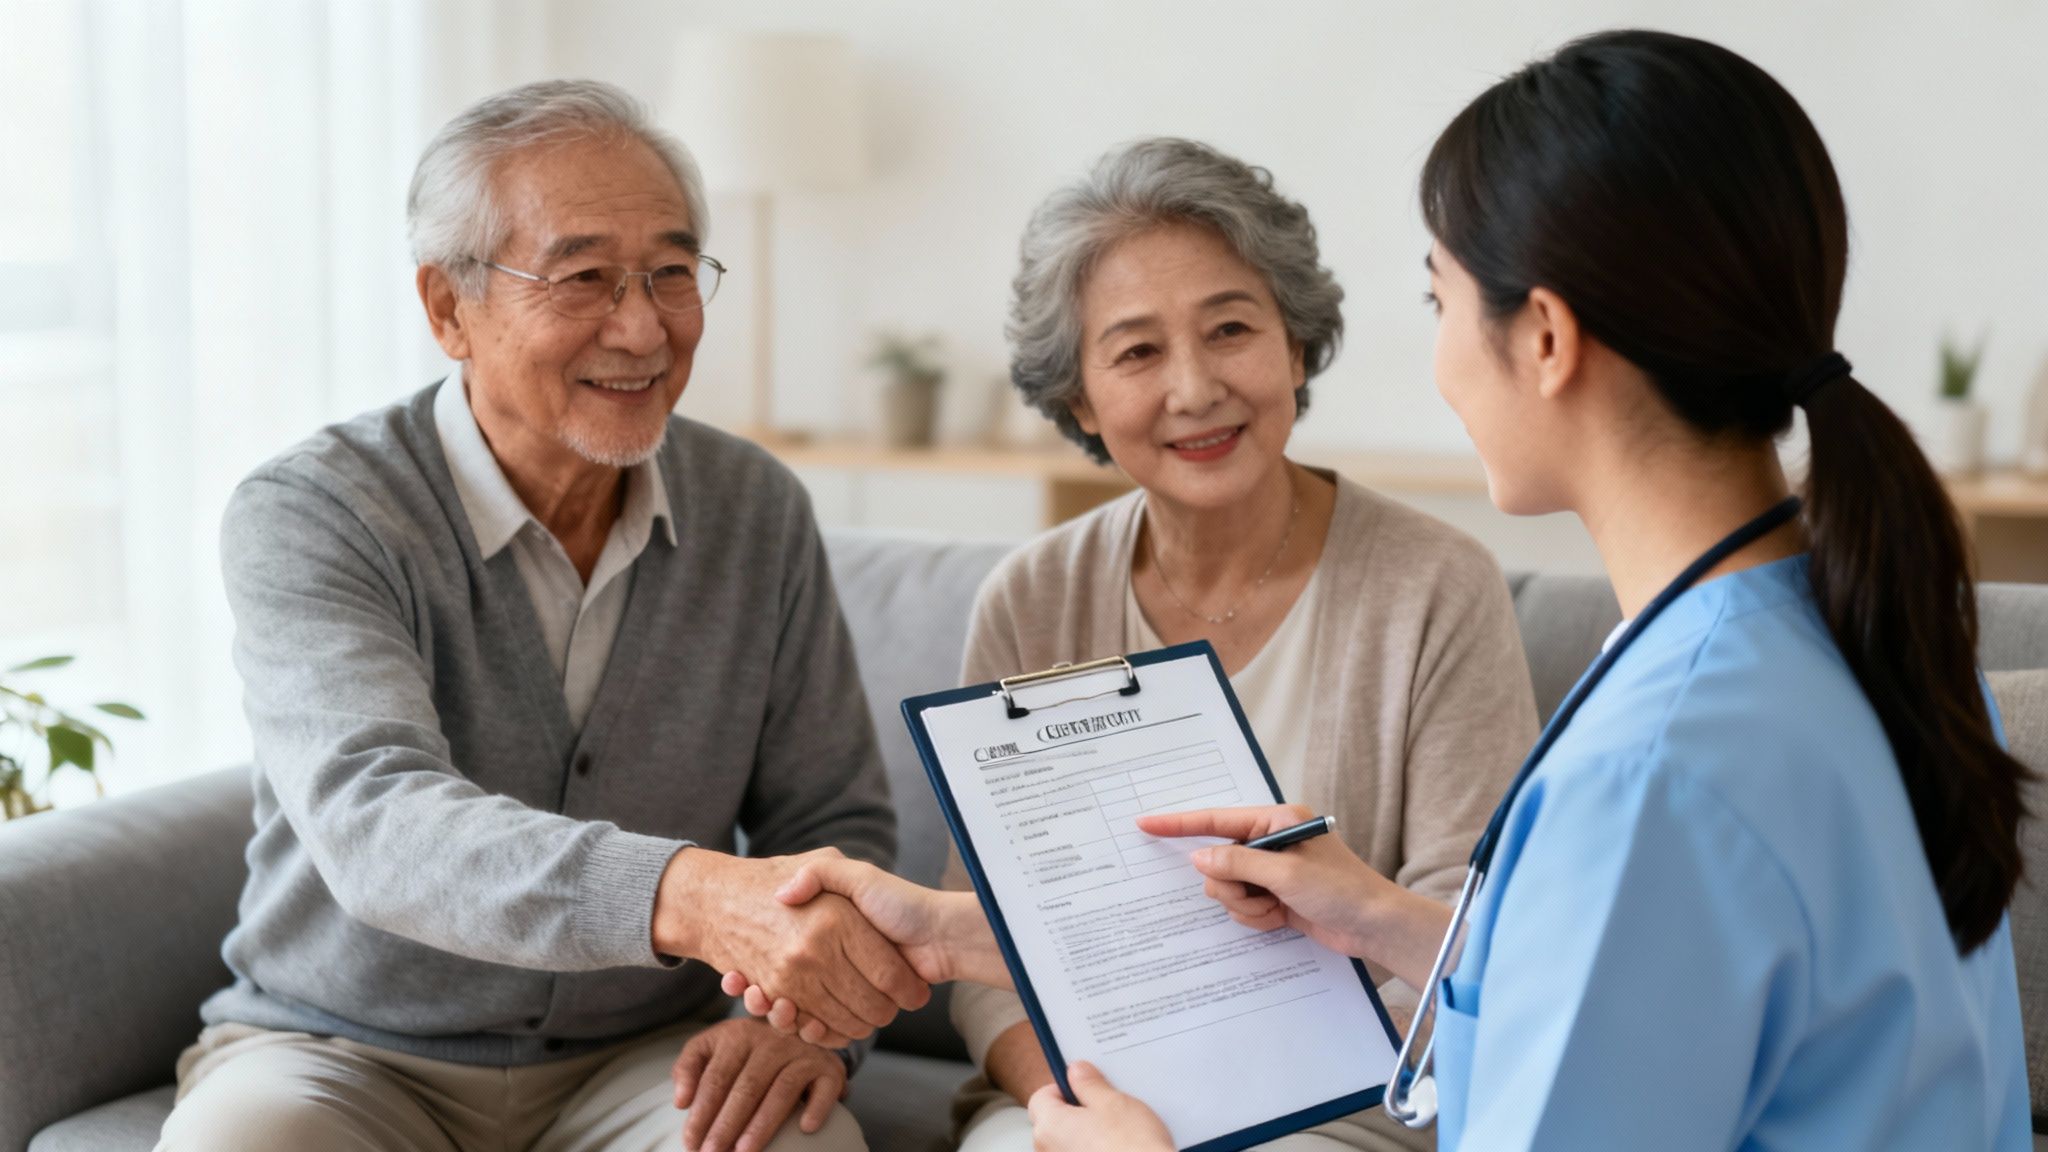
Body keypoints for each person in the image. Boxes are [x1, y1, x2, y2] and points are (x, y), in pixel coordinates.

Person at [733, 30, 2034, 1152]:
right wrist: (1363, 912)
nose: (1438, 364)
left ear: (1544, 338)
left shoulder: (1652, 772)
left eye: (1440, 299)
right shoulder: (1866, 645)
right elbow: (1622, 999)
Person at [155, 80, 927, 1152]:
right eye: (583, 277)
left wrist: (806, 1028)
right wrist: (689, 896)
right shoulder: (316, 512)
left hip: (645, 1057)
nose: (643, 325)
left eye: (670, 271)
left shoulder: (755, 508)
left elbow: (829, 823)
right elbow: (377, 824)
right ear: (446, 309)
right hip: (345, 1052)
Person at [765, 137, 1541, 1152]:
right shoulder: (1033, 597)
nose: (1193, 388)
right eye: (1135, 352)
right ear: (1080, 399)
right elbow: (984, 943)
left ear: (1294, 345)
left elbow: (1467, 946)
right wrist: (1070, 1102)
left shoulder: (1434, 585)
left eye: (1229, 329)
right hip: (1080, 1103)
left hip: (1344, 1116)